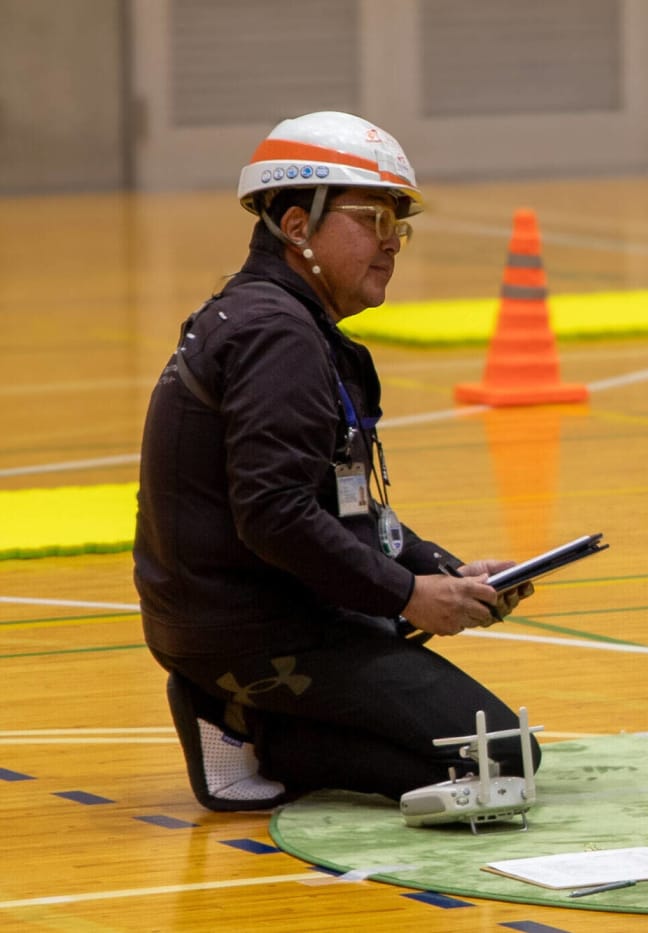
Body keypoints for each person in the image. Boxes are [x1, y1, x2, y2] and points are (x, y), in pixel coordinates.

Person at [133, 111, 540, 812]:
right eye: (371, 220)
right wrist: (409, 596)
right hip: (251, 626)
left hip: (231, 616)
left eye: (397, 225)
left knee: (493, 749)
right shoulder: (278, 336)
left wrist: (440, 570)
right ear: (296, 226)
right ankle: (249, 722)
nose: (391, 244)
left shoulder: (276, 320)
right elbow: (275, 515)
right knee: (499, 757)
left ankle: (230, 701)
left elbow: (340, 502)